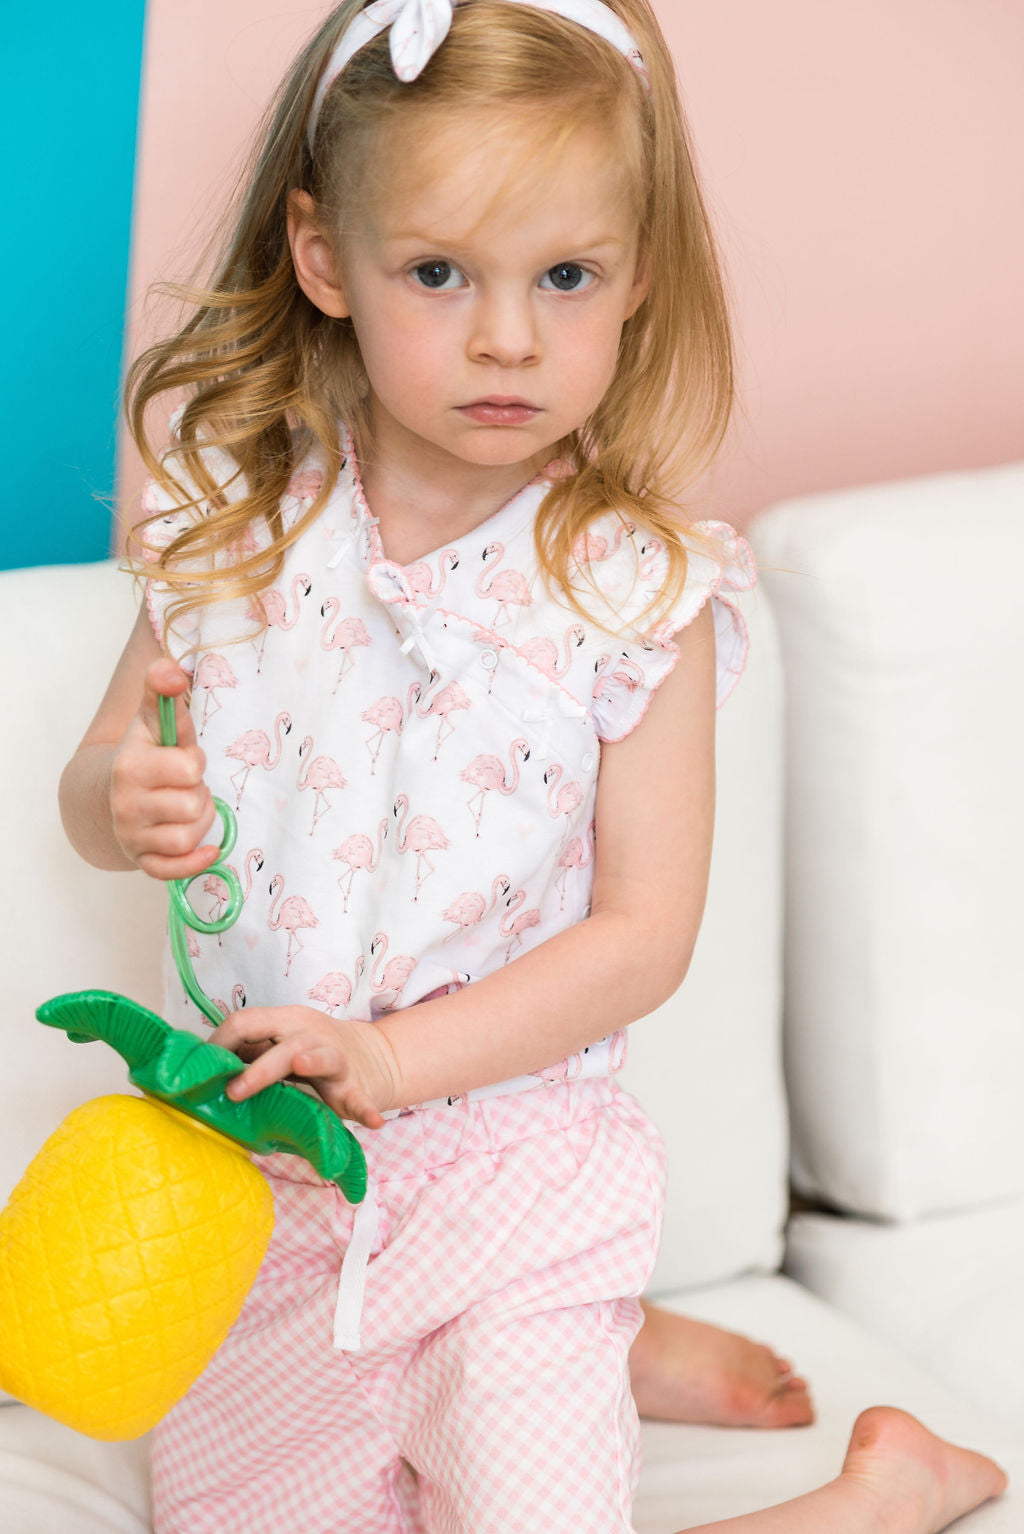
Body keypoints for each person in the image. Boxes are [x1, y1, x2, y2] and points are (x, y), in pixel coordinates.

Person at [59, 0, 1006, 1529]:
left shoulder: (635, 592)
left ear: (634, 279)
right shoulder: (235, 538)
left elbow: (644, 935)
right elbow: (106, 760)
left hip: (516, 1177)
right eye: (439, 273)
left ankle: (878, 1491)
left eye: (565, 276)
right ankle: (617, 1351)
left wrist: (398, 1060)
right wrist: (113, 796)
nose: (508, 335)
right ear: (323, 261)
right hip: (269, 1184)